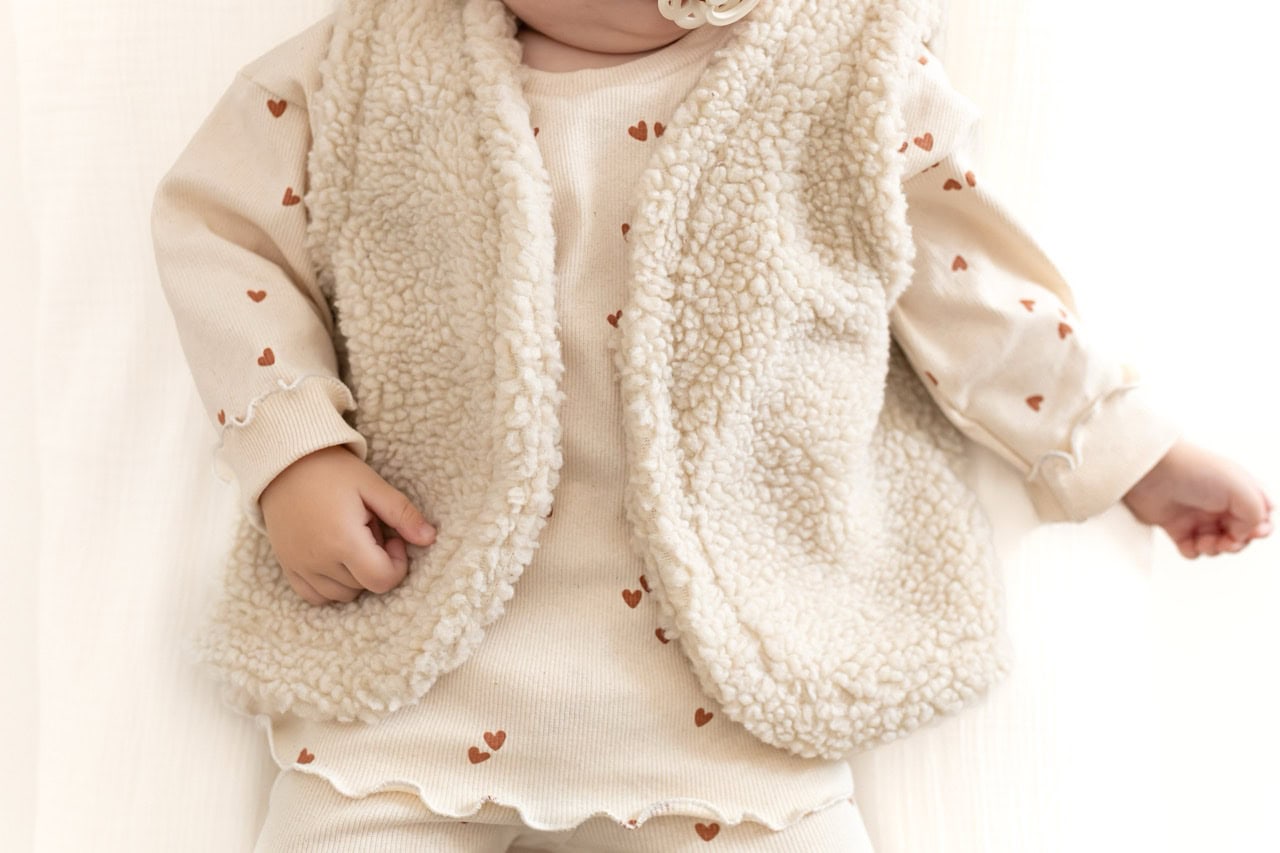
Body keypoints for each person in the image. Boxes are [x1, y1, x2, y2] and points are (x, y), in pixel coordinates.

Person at [149, 0, 1272, 849]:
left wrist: (1130, 449)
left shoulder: (847, 75)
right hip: (411, 693)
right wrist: (294, 449)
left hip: (731, 697)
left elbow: (975, 294)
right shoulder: (370, 62)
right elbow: (221, 230)